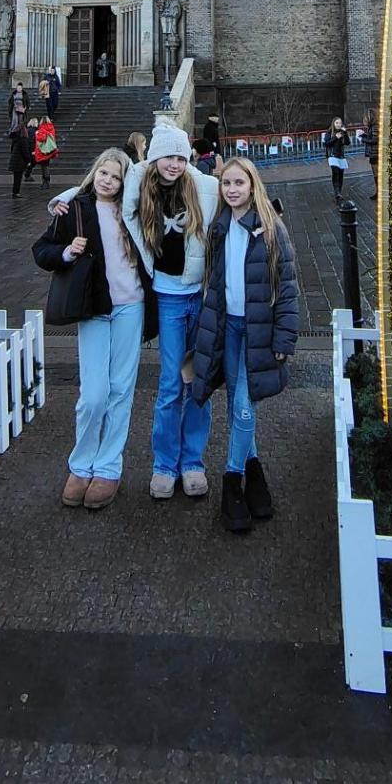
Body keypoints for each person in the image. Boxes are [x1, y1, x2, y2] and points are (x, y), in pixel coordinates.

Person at [51, 123, 219, 500]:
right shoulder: (140, 185)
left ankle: (191, 462)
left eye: (180, 157)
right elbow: (101, 186)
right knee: (168, 383)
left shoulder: (203, 186)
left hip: (197, 296)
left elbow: (239, 193)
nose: (174, 164)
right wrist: (62, 197)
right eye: (166, 156)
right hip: (166, 297)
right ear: (154, 158)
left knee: (198, 380)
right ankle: (163, 465)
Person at [33, 149, 156, 509]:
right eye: (104, 173)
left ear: (124, 182)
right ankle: (81, 463)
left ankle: (108, 467)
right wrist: (67, 252)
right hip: (94, 309)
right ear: (94, 172)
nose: (108, 181)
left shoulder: (133, 209)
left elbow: (163, 179)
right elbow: (42, 249)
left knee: (121, 390)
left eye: (116, 177)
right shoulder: (75, 207)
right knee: (93, 395)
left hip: (131, 306)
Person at [190, 156, 299, 533]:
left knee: (243, 407)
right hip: (229, 329)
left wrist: (285, 337)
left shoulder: (271, 228)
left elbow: (287, 286)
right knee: (239, 407)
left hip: (258, 331)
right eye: (226, 183)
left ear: (253, 185)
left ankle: (232, 481)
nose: (232, 189)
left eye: (239, 182)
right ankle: (255, 474)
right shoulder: (219, 227)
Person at [324, 117, 351, 203]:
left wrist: (345, 133)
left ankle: (339, 193)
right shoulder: (329, 132)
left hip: (341, 156)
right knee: (335, 173)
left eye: (340, 123)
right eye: (337, 123)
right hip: (332, 156)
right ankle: (337, 193)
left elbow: (347, 143)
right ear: (333, 123)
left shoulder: (342, 132)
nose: (339, 124)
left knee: (340, 175)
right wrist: (335, 137)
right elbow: (327, 143)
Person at [33, 115, 58, 187]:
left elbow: (42, 138)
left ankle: (45, 181)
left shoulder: (42, 128)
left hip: (43, 150)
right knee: (46, 165)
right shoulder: (51, 128)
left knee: (44, 166)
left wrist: (37, 134)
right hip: (49, 149)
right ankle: (47, 181)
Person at [9, 125, 33, 198]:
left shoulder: (15, 139)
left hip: (14, 160)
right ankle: (16, 193)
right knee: (18, 178)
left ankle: (15, 192)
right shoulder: (23, 140)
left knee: (16, 178)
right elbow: (25, 152)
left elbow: (11, 149)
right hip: (20, 161)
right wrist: (28, 161)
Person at [363, 110, 379, 200]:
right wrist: (364, 135)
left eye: (366, 118)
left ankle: (378, 192)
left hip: (375, 153)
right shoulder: (372, 127)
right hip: (373, 153)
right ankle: (377, 192)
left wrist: (363, 140)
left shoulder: (375, 127)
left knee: (376, 174)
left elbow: (375, 140)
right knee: (375, 174)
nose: (364, 119)